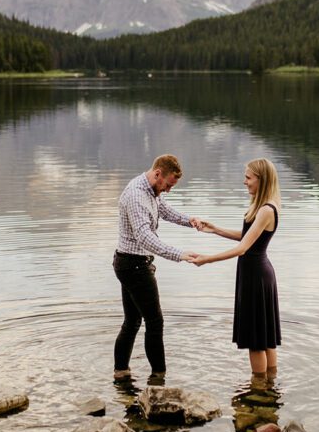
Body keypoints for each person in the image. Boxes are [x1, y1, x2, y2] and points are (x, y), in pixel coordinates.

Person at [114, 154, 202, 381]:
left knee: (132, 321)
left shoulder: (151, 190)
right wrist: (179, 254)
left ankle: (121, 372)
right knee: (155, 321)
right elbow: (144, 237)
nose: (168, 190)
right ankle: (158, 377)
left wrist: (189, 220)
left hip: (130, 262)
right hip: (133, 265)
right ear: (158, 174)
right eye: (168, 185)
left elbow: (163, 209)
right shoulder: (136, 196)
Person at [192, 158, 281, 375]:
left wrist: (207, 259)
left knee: (256, 340)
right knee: (265, 338)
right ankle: (269, 387)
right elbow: (248, 238)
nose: (245, 182)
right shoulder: (264, 207)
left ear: (262, 180)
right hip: (257, 274)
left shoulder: (266, 210)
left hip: (256, 276)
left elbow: (243, 248)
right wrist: (215, 229)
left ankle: (258, 391)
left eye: (248, 177)